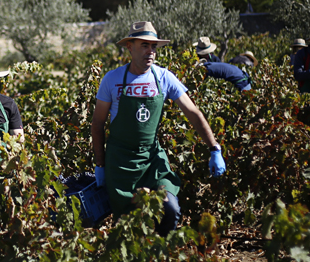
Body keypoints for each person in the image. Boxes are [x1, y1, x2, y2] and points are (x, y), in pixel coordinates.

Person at [92, 22, 226, 236]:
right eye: (144, 45)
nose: (150, 52)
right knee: (130, 227)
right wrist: (100, 165)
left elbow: (193, 113)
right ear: (130, 47)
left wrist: (214, 148)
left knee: (170, 208)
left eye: (154, 47)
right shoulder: (112, 80)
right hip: (120, 165)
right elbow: (97, 123)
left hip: (152, 158)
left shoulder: (164, 77)